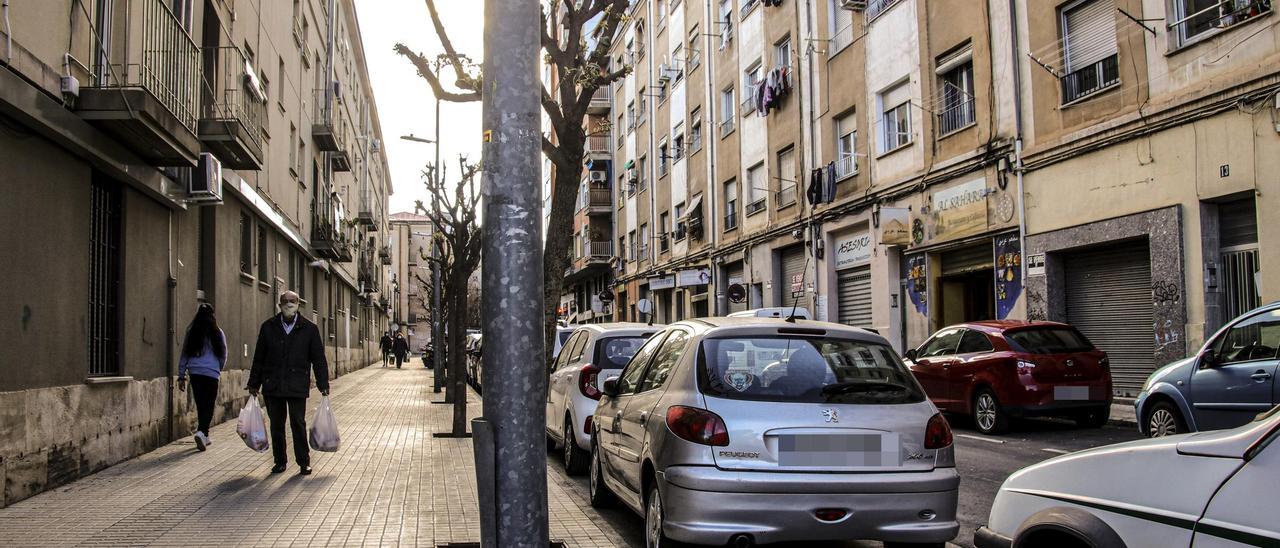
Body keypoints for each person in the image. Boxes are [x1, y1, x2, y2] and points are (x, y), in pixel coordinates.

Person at [247, 291, 329, 475]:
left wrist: (323, 383)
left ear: (298, 304)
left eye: (292, 301)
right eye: (285, 301)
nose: (288, 304)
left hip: (297, 384)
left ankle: (303, 461)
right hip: (272, 384)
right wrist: (254, 383)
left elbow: (318, 358)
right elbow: (259, 357)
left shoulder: (309, 329)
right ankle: (280, 461)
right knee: (276, 424)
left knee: (297, 423)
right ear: (279, 304)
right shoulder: (268, 327)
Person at [177, 303, 226, 452]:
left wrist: (181, 375)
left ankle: (204, 435)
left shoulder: (191, 331)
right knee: (209, 404)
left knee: (200, 404)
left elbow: (184, 353)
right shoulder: (217, 332)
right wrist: (218, 368)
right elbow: (223, 353)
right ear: (213, 315)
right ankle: (201, 432)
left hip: (195, 372)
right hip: (211, 372)